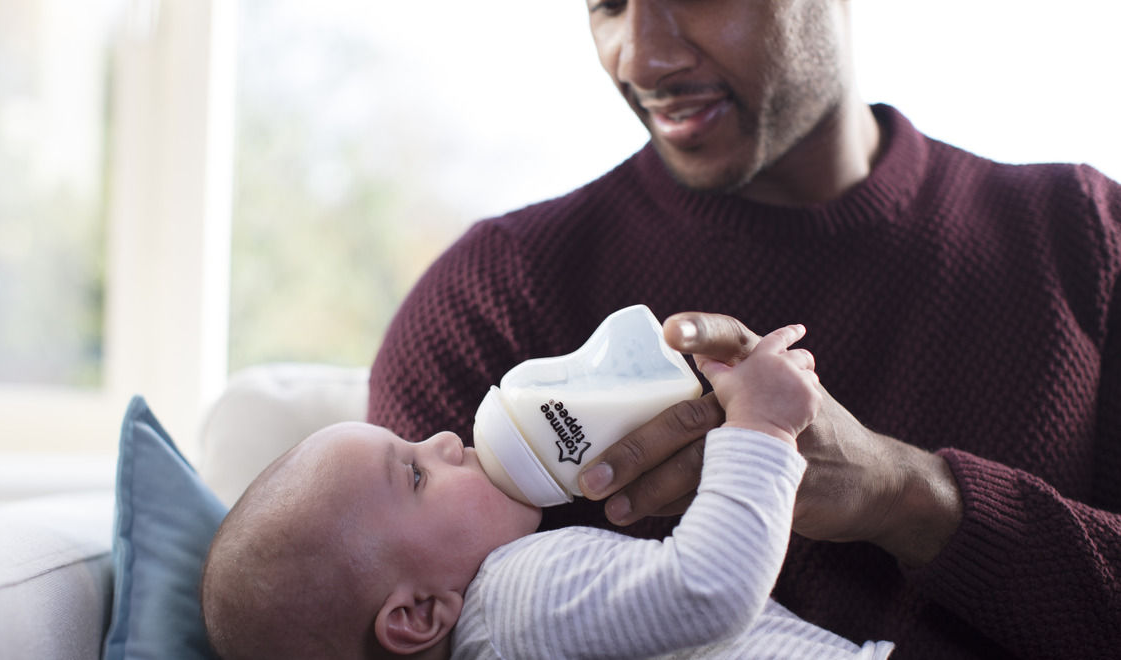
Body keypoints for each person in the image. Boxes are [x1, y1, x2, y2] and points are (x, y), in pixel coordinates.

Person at [367, 1, 1121, 658]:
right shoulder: (491, 299)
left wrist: (907, 496)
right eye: (607, 2)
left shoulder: (1083, 236)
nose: (642, 56)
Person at [202, 326, 895, 659]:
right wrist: (763, 427)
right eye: (414, 473)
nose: (444, 440)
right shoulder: (517, 598)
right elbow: (709, 587)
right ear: (416, 615)